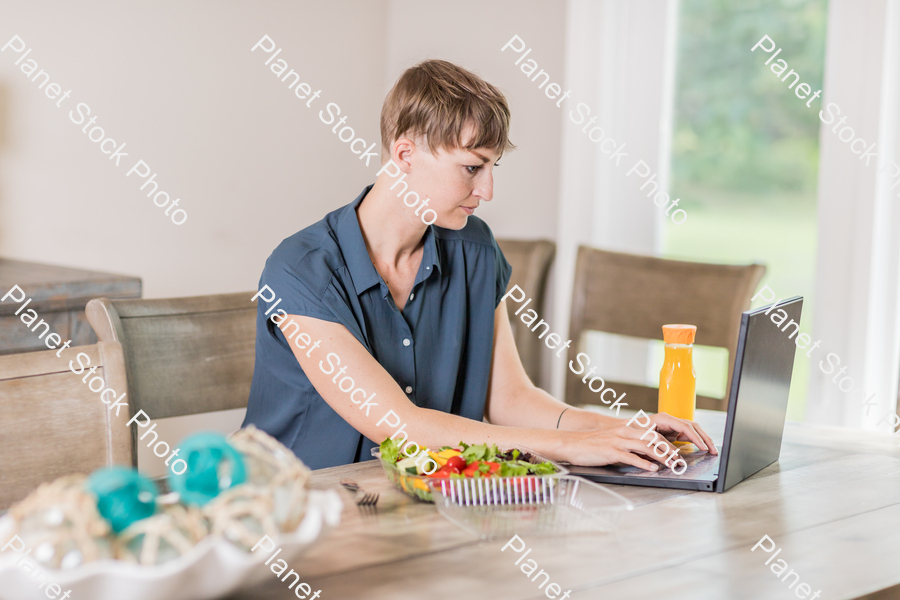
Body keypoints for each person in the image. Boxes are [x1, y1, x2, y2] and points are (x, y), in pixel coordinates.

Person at [241, 59, 717, 470]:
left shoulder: (474, 250)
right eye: (472, 167)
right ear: (404, 153)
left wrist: (624, 429)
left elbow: (510, 400)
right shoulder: (300, 271)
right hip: (297, 518)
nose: (487, 191)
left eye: (492, 168)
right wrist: (572, 447)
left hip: (419, 508)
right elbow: (399, 425)